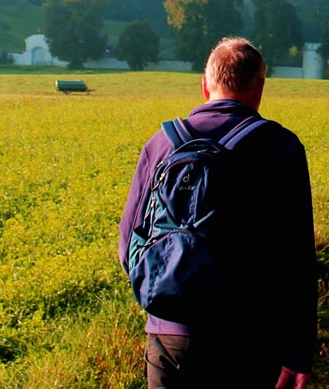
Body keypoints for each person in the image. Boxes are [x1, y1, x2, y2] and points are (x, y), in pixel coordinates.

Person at [118, 37, 316, 389]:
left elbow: (129, 242)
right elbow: (297, 259)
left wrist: (167, 298)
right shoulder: (280, 146)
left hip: (170, 335)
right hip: (250, 338)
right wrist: (298, 352)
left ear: (205, 85)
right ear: (259, 88)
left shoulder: (162, 143)